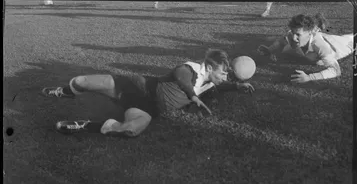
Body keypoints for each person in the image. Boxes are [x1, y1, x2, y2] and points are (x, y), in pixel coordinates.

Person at [42, 49, 255, 137]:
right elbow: (180, 75)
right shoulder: (191, 68)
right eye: (222, 74)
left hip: (147, 107)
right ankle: (66, 92)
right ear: (209, 68)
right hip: (135, 87)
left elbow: (222, 84)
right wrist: (193, 96)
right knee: (82, 81)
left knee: (130, 130)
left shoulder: (212, 82)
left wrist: (238, 86)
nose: (224, 78)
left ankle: (87, 125)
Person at [257, 13, 353, 83]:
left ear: (310, 33)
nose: (294, 37)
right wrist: (270, 49)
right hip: (316, 41)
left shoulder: (320, 46)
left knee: (353, 38)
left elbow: (336, 71)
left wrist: (310, 77)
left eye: (298, 34)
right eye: (293, 33)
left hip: (339, 45)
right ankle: (318, 22)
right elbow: (282, 40)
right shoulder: (293, 35)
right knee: (286, 49)